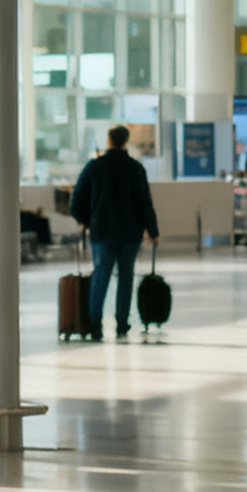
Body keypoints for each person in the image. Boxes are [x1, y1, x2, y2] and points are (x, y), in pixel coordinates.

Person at [69, 125, 158, 340]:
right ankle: (121, 323)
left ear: (109, 140)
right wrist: (153, 231)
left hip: (102, 231)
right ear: (126, 141)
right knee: (126, 276)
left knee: (101, 274)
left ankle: (95, 322)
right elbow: (145, 203)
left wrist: (85, 221)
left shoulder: (95, 166)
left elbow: (76, 200)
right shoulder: (136, 168)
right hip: (130, 232)